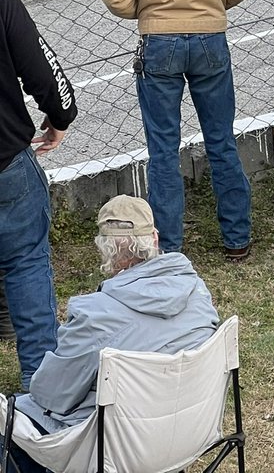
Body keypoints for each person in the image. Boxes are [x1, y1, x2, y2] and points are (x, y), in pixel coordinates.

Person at [100, 0, 256, 259]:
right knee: (221, 140)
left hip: (158, 42)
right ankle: (236, 239)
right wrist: (211, 5)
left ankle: (168, 246)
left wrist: (148, 12)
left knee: (163, 149)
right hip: (210, 38)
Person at [7, 195, 218, 473]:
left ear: (104, 250)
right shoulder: (198, 294)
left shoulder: (95, 314)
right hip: (190, 433)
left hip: (115, 451)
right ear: (154, 238)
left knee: (12, 418)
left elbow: (49, 395)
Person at [0, 0, 76, 391]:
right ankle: (41, 383)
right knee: (26, 261)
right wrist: (61, 115)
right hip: (7, 160)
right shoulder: (2, 0)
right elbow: (43, 71)